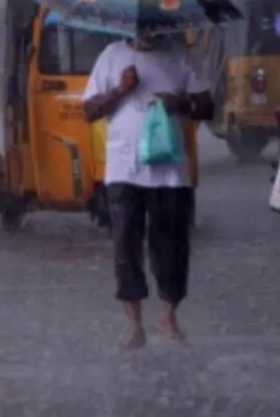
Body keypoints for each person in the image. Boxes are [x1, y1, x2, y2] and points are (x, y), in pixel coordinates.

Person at [82, 32, 213, 350]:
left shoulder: (179, 56)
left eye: (153, 26)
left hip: (171, 173)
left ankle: (168, 317)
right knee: (125, 245)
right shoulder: (111, 55)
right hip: (123, 170)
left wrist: (179, 103)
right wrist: (120, 90)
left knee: (172, 246)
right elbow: (89, 111)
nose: (147, 32)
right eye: (142, 27)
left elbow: (207, 106)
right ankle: (134, 325)